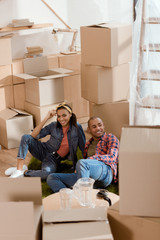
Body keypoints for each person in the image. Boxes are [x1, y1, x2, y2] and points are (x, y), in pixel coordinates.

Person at [6, 102, 86, 179]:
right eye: (58, 116)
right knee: (26, 137)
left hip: (53, 159)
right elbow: (34, 135)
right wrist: (47, 117)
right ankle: (18, 169)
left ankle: (24, 172)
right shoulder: (53, 125)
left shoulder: (77, 127)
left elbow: (83, 146)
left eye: (64, 115)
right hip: (43, 150)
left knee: (47, 173)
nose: (61, 119)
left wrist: (83, 165)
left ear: (70, 115)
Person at [47, 116, 119, 193]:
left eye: (100, 125)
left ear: (103, 126)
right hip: (88, 177)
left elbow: (112, 157)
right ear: (89, 129)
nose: (98, 128)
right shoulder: (87, 144)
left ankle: (82, 195)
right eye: (94, 127)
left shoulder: (110, 137)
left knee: (82, 163)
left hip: (105, 173)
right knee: (52, 177)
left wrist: (91, 159)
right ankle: (69, 196)